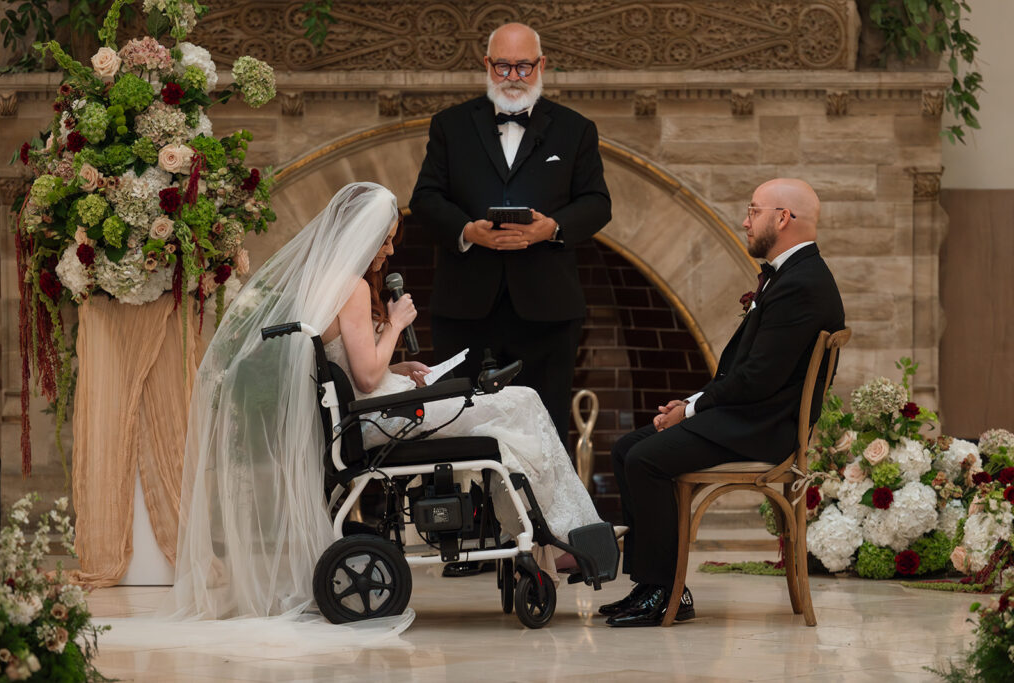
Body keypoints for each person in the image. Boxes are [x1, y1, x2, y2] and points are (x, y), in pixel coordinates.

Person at [165, 182, 601, 627]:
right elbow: (368, 376)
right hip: (380, 420)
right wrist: (394, 325)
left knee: (510, 418)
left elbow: (360, 370)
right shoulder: (352, 287)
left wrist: (402, 365)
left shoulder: (327, 282)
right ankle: (563, 537)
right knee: (522, 400)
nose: (389, 250)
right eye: (386, 239)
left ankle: (550, 537)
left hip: (373, 412)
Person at [602, 179, 846, 627]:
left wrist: (692, 410)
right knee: (625, 450)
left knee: (645, 460)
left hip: (763, 428)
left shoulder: (802, 285)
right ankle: (653, 584)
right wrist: (693, 402)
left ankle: (665, 591)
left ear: (782, 218)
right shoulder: (792, 276)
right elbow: (748, 374)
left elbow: (757, 378)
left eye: (754, 211)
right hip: (749, 415)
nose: (745, 221)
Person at [409, 22, 611, 438]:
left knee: (544, 431)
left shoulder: (576, 129)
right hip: (465, 308)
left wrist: (551, 228)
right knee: (457, 428)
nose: (513, 78)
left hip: (547, 313)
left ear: (542, 65)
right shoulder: (450, 125)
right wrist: (468, 231)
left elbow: (597, 203)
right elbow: (426, 198)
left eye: (523, 67)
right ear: (487, 64)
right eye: (503, 66)